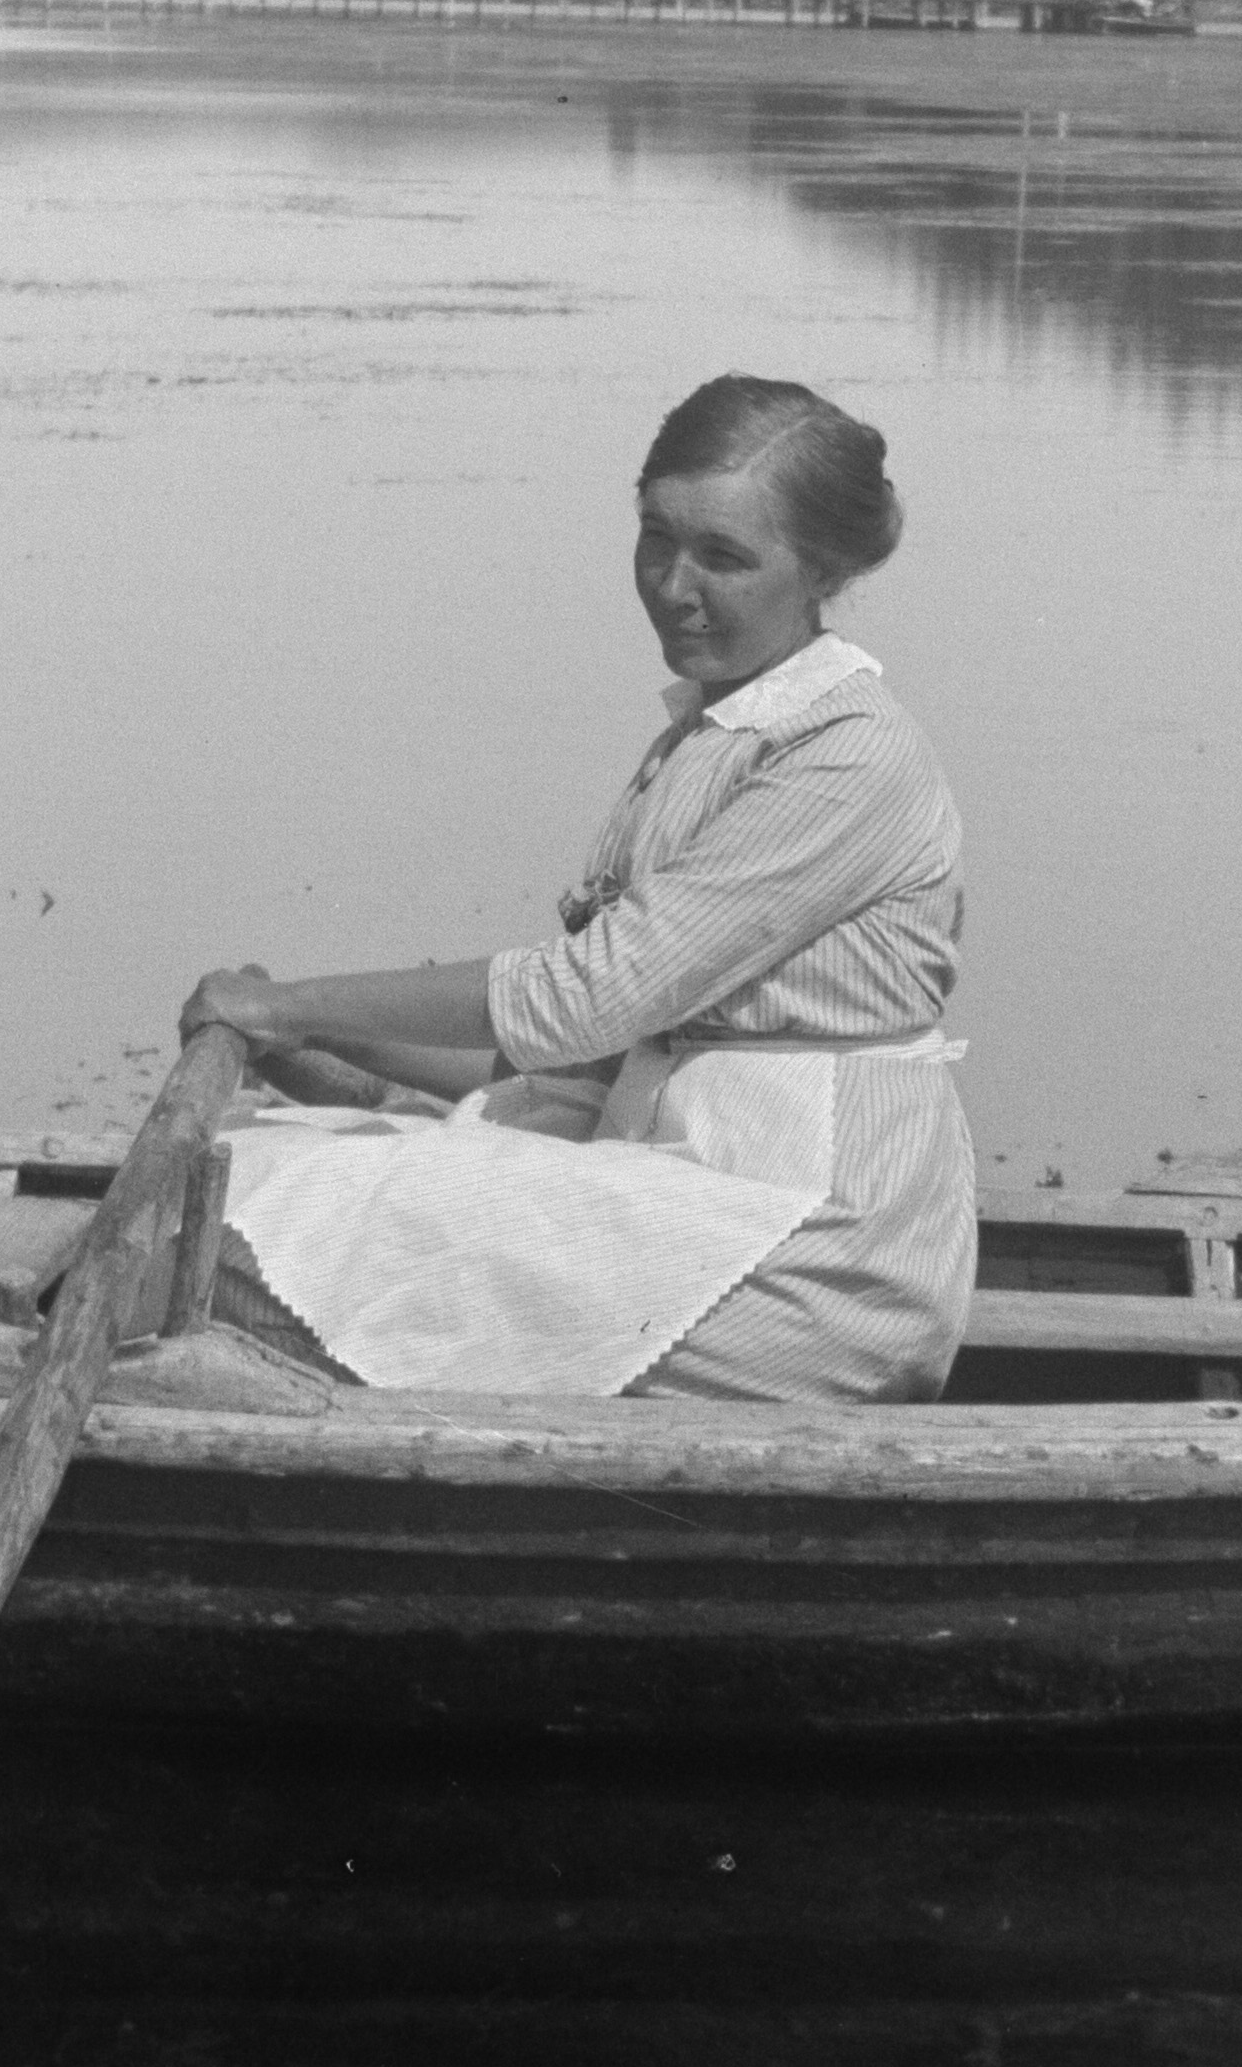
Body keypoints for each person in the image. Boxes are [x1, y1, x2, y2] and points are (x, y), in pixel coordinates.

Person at [178, 375, 975, 1403]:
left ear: (821, 569)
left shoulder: (850, 757)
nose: (674, 585)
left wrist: (290, 1005)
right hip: (701, 1191)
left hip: (818, 1254)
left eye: (724, 558)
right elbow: (582, 1049)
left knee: (246, 1254)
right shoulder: (716, 731)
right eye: (657, 538)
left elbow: (587, 997)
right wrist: (312, 1040)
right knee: (252, 1177)